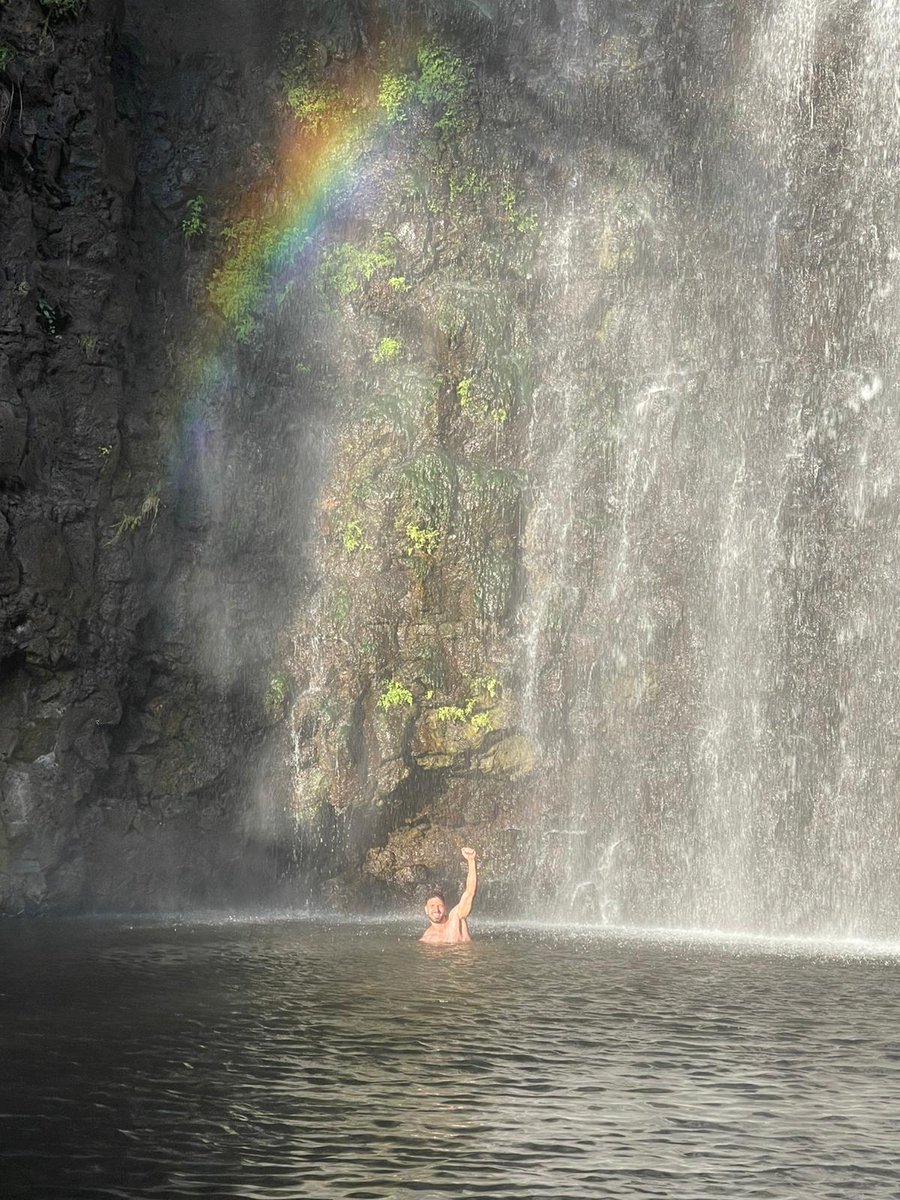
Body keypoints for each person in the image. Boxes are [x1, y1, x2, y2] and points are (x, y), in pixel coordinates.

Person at [420, 847, 477, 944]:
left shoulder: (456, 916)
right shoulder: (427, 939)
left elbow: (470, 892)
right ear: (426, 910)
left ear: (445, 908)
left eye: (439, 905)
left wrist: (471, 861)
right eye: (432, 906)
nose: (436, 909)